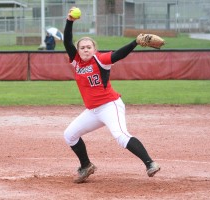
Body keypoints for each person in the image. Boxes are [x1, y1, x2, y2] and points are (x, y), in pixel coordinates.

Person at [63, 8, 161, 184]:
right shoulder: (76, 61)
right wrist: (69, 21)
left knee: (121, 135)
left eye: (89, 47)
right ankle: (86, 166)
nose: (85, 50)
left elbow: (118, 55)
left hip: (110, 105)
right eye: (82, 48)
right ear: (78, 51)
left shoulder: (100, 60)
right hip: (93, 111)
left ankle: (150, 163)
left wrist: (135, 42)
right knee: (69, 135)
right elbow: (67, 41)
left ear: (94, 49)